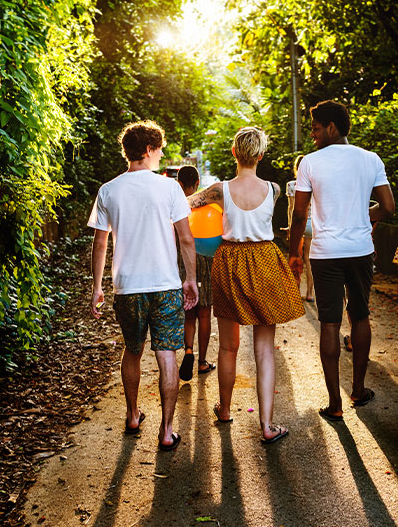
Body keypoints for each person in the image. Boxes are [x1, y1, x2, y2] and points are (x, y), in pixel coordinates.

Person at [188, 126, 304, 443]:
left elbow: (185, 205)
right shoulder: (275, 189)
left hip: (228, 261)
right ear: (262, 155)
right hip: (266, 259)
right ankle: (266, 426)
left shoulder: (219, 191)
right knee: (265, 349)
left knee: (228, 346)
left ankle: (224, 410)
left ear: (234, 152)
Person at [88, 120, 199, 452]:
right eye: (160, 149)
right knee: (167, 355)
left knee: (133, 350)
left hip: (127, 287)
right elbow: (186, 239)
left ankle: (133, 415)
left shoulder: (109, 190)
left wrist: (97, 286)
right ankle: (166, 432)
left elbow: (100, 243)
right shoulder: (169, 189)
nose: (161, 154)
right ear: (149, 150)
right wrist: (190, 279)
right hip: (165, 286)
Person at [289, 100, 395, 422]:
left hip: (325, 254)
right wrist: (366, 215)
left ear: (332, 127)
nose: (312, 134)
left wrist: (294, 252)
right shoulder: (370, 159)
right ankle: (358, 390)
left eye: (316, 128)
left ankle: (334, 404)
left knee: (330, 324)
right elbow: (389, 207)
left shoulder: (310, 163)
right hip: (360, 250)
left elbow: (299, 213)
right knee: (360, 317)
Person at [176, 165, 216, 380]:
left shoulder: (176, 205)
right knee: (205, 312)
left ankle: (189, 350)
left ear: (179, 183)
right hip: (206, 262)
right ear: (197, 183)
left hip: (185, 264)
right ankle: (202, 362)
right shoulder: (204, 204)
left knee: (189, 313)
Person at [286, 155, 314, 301]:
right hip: (312, 224)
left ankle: (295, 291)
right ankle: (310, 294)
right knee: (309, 259)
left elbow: (292, 208)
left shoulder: (292, 185)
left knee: (296, 257)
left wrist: (290, 228)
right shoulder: (315, 183)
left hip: (298, 225)